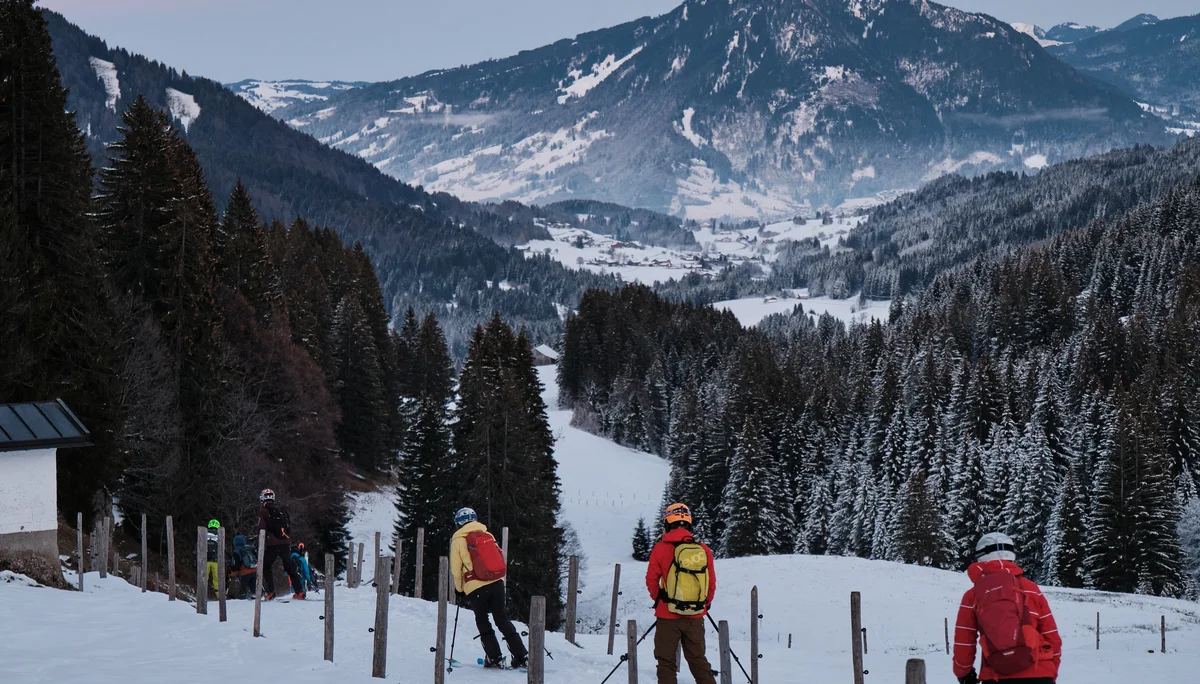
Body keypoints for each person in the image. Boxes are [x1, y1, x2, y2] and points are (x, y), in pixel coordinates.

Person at [953, 533, 1061, 684]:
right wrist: (1050, 670)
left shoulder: (973, 596)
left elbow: (964, 641)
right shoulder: (1031, 589)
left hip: (996, 675)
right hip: (1039, 671)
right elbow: (1051, 636)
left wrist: (963, 673)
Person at [646, 503, 717, 684]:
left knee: (666, 663)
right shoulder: (703, 549)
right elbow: (711, 582)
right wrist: (705, 604)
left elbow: (651, 580)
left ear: (668, 522)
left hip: (667, 616)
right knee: (698, 661)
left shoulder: (660, 548)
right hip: (695, 615)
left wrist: (661, 600)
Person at [450, 507, 528, 669]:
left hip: (475, 586)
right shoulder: (487, 535)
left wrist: (459, 589)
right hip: (497, 582)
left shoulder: (458, 539)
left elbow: (456, 568)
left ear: (458, 523)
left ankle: (495, 657)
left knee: (483, 620)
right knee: (502, 619)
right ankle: (521, 655)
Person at [257, 488, 305, 600]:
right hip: (285, 542)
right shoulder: (281, 509)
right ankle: (299, 592)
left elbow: (261, 529)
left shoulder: (263, 510)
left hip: (272, 543)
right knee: (289, 565)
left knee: (266, 566)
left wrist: (259, 543)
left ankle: (271, 592)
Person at [228, 533, 258, 599]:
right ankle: (255, 597)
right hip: (254, 570)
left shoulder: (237, 551)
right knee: (253, 586)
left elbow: (237, 564)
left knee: (243, 588)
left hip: (245, 572)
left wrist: (233, 571)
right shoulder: (249, 548)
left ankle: (242, 598)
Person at [205, 520, 221, 593]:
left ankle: (202, 595)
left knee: (204, 578)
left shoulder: (204, 534)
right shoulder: (219, 535)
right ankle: (218, 595)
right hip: (215, 560)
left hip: (205, 560)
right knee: (217, 578)